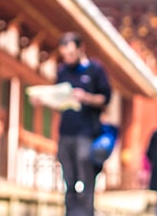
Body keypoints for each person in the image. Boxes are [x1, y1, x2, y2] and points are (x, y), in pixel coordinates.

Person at [54, 32, 111, 216]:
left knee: (85, 172)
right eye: (65, 55)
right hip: (66, 131)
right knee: (68, 177)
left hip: (87, 131)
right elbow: (57, 97)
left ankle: (87, 213)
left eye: (71, 54)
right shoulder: (62, 71)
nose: (68, 58)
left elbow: (105, 98)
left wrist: (86, 97)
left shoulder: (95, 70)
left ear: (80, 49)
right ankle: (70, 213)